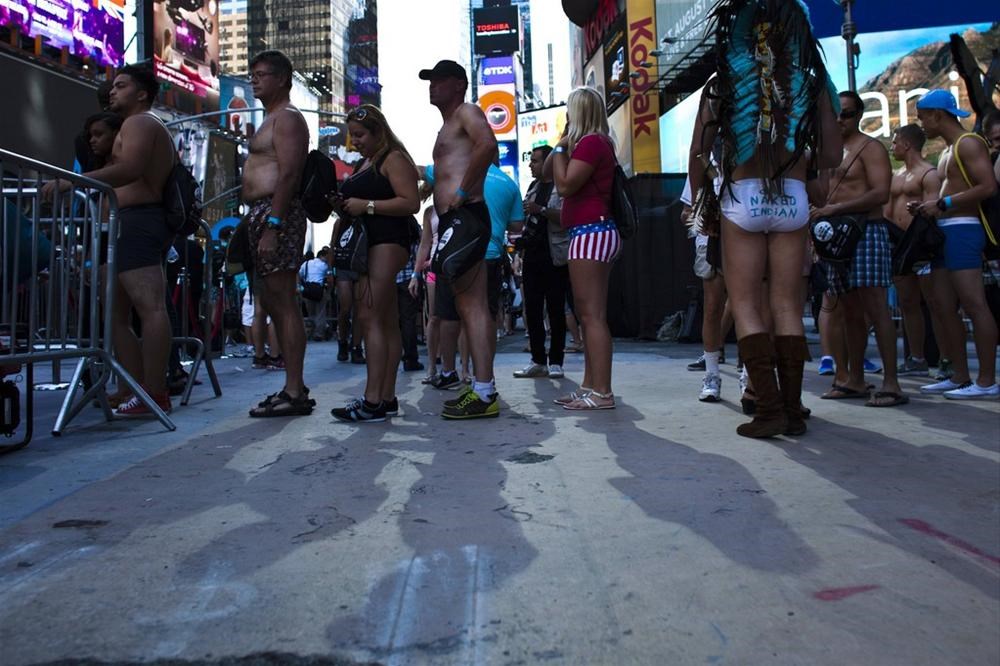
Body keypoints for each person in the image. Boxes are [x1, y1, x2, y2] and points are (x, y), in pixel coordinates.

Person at [691, 0, 842, 436]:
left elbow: (700, 153)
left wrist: (704, 196)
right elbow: (832, 155)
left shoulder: (723, 83)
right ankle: (792, 411)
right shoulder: (812, 83)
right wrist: (799, 157)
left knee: (744, 305)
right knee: (787, 305)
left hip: (742, 197)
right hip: (793, 197)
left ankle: (768, 410)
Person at [43, 64, 178, 418]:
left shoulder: (141, 122)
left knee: (150, 308)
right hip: (124, 223)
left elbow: (131, 169)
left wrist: (74, 180)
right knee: (116, 315)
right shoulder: (133, 124)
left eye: (121, 85)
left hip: (140, 221)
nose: (113, 91)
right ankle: (133, 389)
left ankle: (155, 393)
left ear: (142, 94)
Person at [419, 59, 501, 419]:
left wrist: (463, 191)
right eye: (430, 80)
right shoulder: (448, 124)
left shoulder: (467, 111)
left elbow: (488, 144)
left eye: (439, 80)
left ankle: (484, 392)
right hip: (457, 218)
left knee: (472, 306)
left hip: (466, 216)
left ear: (458, 84)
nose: (432, 86)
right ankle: (483, 387)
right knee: (472, 305)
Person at [811, 90, 903, 408]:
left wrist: (834, 210)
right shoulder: (828, 152)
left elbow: (880, 193)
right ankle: (853, 379)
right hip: (835, 238)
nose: (840, 119)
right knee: (847, 310)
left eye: (847, 113)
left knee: (877, 308)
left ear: (859, 116)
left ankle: (891, 383)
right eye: (836, 113)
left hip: (867, 231)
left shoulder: (870, 147)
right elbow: (821, 192)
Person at [329, 104, 420, 422]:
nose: (354, 141)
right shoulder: (366, 162)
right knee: (385, 321)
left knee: (369, 317)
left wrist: (365, 206)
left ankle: (372, 400)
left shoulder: (393, 158)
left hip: (387, 243)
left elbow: (411, 202)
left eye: (360, 135)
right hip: (371, 244)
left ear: (378, 131)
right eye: (352, 136)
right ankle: (386, 397)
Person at [910, 90, 999, 399]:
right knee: (943, 306)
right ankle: (959, 375)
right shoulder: (948, 150)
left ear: (937, 115)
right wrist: (930, 207)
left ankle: (986, 381)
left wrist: (943, 203)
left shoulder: (968, 143)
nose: (921, 124)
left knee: (974, 304)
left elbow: (988, 186)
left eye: (922, 118)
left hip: (963, 229)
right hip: (945, 230)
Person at [242, 50, 313, 417]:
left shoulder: (287, 118)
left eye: (261, 74)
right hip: (263, 212)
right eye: (252, 74)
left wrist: (273, 224)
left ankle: (295, 389)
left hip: (276, 213)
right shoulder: (272, 118)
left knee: (283, 301)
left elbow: (289, 174)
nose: (254, 80)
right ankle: (292, 386)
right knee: (272, 300)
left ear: (282, 79)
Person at [544, 86, 623, 410]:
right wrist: (562, 144)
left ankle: (602, 392)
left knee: (591, 316)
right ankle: (591, 386)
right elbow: (549, 171)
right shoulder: (594, 143)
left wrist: (562, 146)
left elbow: (563, 185)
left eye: (569, 110)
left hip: (591, 231)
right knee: (590, 315)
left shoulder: (591, 143)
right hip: (592, 231)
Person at [885, 124, 943, 377]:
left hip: (921, 244)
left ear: (907, 144)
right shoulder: (895, 175)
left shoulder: (929, 173)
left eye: (895, 142)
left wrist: (922, 209)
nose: (892, 147)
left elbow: (935, 210)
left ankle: (946, 360)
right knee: (907, 302)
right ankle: (916, 358)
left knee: (935, 303)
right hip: (898, 244)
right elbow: (887, 210)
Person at [515, 145, 570, 380]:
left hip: (555, 255)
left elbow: (567, 217)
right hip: (532, 255)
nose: (531, 165)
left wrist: (542, 209)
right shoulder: (533, 187)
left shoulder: (562, 186)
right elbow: (526, 223)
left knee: (556, 309)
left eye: (535, 161)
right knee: (533, 309)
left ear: (548, 162)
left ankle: (556, 361)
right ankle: (538, 360)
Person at [398, 241, 425, 373]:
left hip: (389, 280)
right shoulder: (409, 232)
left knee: (390, 323)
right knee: (408, 321)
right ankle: (410, 359)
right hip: (408, 278)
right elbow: (417, 253)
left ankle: (390, 357)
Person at [299, 247, 332, 341]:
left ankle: (310, 330)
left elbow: (299, 275)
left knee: (311, 312)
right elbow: (330, 279)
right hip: (319, 290)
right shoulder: (325, 265)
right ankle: (318, 334)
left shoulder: (306, 264)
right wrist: (329, 291)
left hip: (307, 291)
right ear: (322, 256)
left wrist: (301, 287)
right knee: (320, 312)